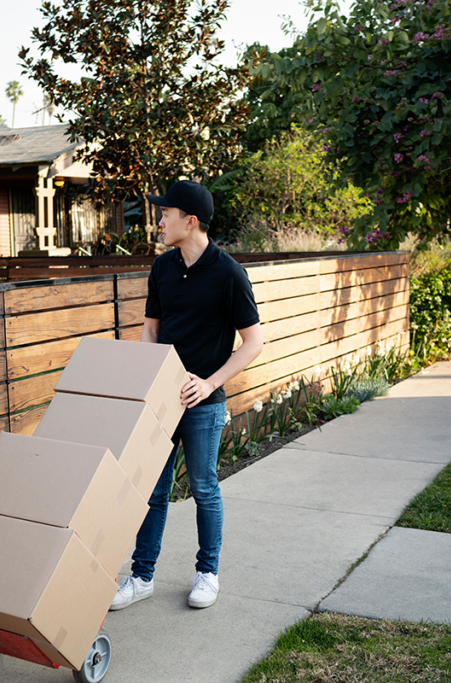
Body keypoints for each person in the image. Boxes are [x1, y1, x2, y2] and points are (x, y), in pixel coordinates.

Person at [110, 180, 263, 611]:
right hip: (162, 402)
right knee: (153, 492)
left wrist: (209, 383)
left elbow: (254, 342)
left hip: (203, 404)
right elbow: (152, 329)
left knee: (203, 488)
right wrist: (145, 379)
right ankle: (141, 577)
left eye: (166, 214)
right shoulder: (162, 268)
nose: (159, 221)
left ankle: (207, 573)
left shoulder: (228, 273)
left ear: (189, 220)